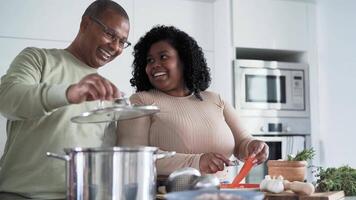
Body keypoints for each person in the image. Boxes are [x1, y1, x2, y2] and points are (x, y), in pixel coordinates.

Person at [0, 0, 130, 199]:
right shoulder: (37, 59)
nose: (115, 47)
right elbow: (8, 100)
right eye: (110, 34)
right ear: (85, 24)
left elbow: (106, 159)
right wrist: (69, 93)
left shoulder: (107, 91)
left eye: (122, 42)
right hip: (20, 194)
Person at [116, 25, 269, 177]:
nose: (154, 65)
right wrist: (196, 162)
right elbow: (133, 158)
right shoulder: (140, 102)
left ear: (184, 60)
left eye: (163, 57)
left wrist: (254, 147)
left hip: (221, 193)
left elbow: (243, 143)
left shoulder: (215, 100)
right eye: (149, 60)